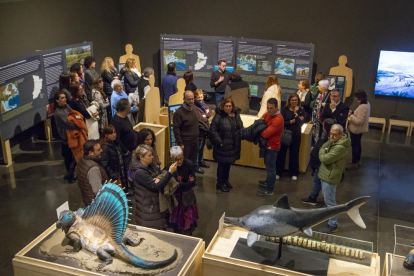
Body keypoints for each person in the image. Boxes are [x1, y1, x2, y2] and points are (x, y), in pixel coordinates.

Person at [131, 144, 177, 229]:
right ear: (141, 157)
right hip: (148, 212)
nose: (152, 157)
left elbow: (161, 174)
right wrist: (170, 172)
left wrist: (159, 178)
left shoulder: (150, 166)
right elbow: (155, 186)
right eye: (150, 155)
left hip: (154, 209)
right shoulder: (140, 172)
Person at [318, 124, 350, 234]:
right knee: (327, 198)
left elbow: (324, 158)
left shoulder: (340, 147)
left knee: (330, 202)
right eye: (330, 133)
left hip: (330, 176)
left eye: (334, 135)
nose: (331, 136)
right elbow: (324, 146)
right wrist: (324, 148)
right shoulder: (334, 141)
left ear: (341, 135)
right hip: (326, 174)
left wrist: (323, 150)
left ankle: (333, 224)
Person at [209, 97, 243, 192]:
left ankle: (226, 181)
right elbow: (213, 130)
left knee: (228, 164)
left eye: (230, 106)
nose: (228, 107)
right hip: (223, 146)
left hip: (232, 146)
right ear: (223, 106)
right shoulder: (218, 116)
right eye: (226, 106)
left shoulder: (236, 115)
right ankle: (220, 183)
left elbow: (240, 126)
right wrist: (219, 142)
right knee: (222, 166)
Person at [301, 118, 335, 206]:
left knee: (324, 185)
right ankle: (313, 197)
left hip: (322, 165)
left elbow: (324, 153)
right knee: (317, 181)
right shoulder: (325, 136)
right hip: (318, 165)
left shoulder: (329, 140)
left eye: (323, 125)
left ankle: (327, 203)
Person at [168, 146, 198, 235]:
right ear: (171, 158)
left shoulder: (189, 164)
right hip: (176, 198)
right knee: (176, 222)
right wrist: (186, 183)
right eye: (177, 159)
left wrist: (179, 184)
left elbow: (193, 183)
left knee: (187, 218)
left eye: (181, 158)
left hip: (187, 196)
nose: (180, 161)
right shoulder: (170, 168)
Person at [276, 93, 306, 180]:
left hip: (296, 135)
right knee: (281, 154)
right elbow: (282, 122)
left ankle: (294, 173)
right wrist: (292, 121)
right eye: (292, 100)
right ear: (289, 101)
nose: (294, 102)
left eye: (296, 100)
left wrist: (296, 113)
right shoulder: (284, 109)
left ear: (298, 101)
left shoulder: (301, 111)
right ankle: (278, 172)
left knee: (294, 154)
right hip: (285, 134)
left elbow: (301, 123)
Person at [257, 98, 284, 196]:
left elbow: (265, 133)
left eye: (271, 108)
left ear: (277, 107)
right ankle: (267, 182)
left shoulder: (278, 119)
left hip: (272, 147)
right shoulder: (269, 114)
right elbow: (260, 121)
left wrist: (259, 129)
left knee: (271, 168)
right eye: (267, 108)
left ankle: (269, 190)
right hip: (267, 146)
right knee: (268, 166)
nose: (268, 110)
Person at [111, 99, 137, 193]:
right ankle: (125, 190)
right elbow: (117, 138)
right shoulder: (116, 121)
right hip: (125, 152)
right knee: (125, 172)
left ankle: (129, 185)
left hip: (130, 150)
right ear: (125, 108)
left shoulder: (125, 117)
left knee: (129, 170)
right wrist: (125, 150)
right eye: (129, 105)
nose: (131, 107)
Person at [54, 91, 77, 183]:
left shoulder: (67, 106)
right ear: (57, 100)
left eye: (65, 97)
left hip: (73, 135)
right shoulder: (58, 113)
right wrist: (77, 124)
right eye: (62, 98)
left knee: (75, 156)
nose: (64, 99)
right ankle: (69, 175)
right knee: (68, 158)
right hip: (66, 138)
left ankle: (70, 174)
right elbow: (68, 124)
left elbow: (74, 114)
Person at [76, 140, 109, 207]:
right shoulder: (93, 168)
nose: (101, 150)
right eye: (98, 150)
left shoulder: (82, 160)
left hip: (87, 200)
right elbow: (97, 191)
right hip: (96, 205)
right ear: (90, 153)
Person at [172, 91, 200, 166]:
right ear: (184, 99)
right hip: (186, 143)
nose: (191, 101)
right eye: (189, 99)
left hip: (195, 141)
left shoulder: (194, 108)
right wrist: (180, 143)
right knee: (185, 164)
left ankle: (191, 177)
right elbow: (176, 129)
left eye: (192, 99)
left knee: (192, 163)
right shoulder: (179, 113)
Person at [100, 124, 129, 191]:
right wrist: (113, 175)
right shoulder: (105, 148)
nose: (114, 135)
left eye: (114, 132)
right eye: (111, 133)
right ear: (106, 135)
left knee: (123, 186)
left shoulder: (116, 142)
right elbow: (104, 164)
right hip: (114, 174)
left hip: (120, 169)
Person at [347, 89, 370, 169]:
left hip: (356, 129)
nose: (356, 99)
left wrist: (351, 115)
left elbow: (359, 121)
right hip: (360, 129)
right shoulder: (367, 104)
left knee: (354, 146)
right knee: (358, 144)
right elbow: (360, 116)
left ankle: (354, 162)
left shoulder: (362, 107)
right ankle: (358, 160)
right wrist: (353, 113)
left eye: (357, 97)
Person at [194, 89, 212, 173]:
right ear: (195, 97)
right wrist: (205, 116)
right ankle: (196, 165)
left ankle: (201, 161)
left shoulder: (203, 104)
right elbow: (201, 118)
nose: (200, 99)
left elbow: (210, 112)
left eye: (201, 97)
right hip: (199, 130)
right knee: (198, 148)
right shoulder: (195, 107)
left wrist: (205, 115)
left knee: (202, 148)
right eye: (198, 97)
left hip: (205, 129)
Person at [311, 79, 330, 146]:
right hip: (315, 117)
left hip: (322, 118)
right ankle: (315, 145)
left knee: (321, 134)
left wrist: (325, 105)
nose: (318, 87)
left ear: (323, 87)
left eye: (319, 85)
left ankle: (319, 146)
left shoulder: (328, 95)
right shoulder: (319, 94)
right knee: (315, 132)